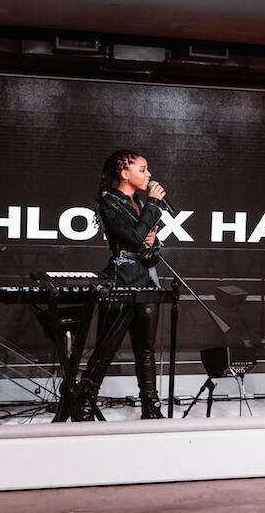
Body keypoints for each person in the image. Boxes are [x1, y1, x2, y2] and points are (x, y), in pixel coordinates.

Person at [96, 149, 167, 419]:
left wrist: (154, 242)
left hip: (146, 282)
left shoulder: (139, 203)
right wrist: (153, 206)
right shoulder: (110, 202)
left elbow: (147, 247)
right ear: (125, 174)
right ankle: (86, 398)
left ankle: (151, 404)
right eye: (142, 169)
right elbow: (135, 239)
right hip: (120, 283)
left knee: (146, 350)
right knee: (106, 349)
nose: (149, 175)